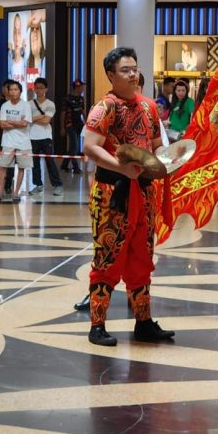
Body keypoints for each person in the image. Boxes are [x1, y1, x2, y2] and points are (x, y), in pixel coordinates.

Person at [82, 47, 173, 345]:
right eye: (125, 70)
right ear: (110, 75)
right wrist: (122, 168)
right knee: (108, 256)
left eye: (134, 68)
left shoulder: (148, 107)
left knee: (142, 257)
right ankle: (97, 325)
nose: (133, 74)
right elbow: (90, 147)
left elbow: (157, 144)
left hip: (143, 190)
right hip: (112, 193)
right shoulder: (104, 107)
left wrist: (167, 158)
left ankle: (143, 322)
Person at [0, 80, 33, 201]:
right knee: (2, 166)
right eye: (11, 89)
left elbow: (24, 124)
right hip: (7, 141)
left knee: (21, 167)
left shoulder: (26, 105)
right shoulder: (4, 105)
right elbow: (2, 124)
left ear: (20, 91)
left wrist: (10, 121)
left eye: (15, 89)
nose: (13, 92)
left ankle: (16, 193)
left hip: (23, 141)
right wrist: (17, 122)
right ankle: (0, 192)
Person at [29, 77, 64, 197]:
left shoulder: (50, 104)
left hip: (46, 136)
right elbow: (28, 120)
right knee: (35, 162)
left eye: (41, 88)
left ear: (46, 89)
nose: (39, 90)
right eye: (37, 88)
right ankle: (38, 185)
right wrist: (39, 117)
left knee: (50, 161)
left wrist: (34, 118)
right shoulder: (29, 104)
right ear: (34, 89)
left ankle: (57, 185)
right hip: (32, 136)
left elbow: (46, 121)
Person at [61, 79, 86, 174]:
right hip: (69, 124)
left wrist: (87, 122)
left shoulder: (81, 98)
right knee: (74, 146)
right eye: (81, 87)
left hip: (79, 124)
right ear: (77, 87)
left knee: (72, 147)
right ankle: (76, 167)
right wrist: (62, 127)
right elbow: (63, 113)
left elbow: (83, 111)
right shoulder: (67, 99)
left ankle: (64, 165)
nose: (83, 88)